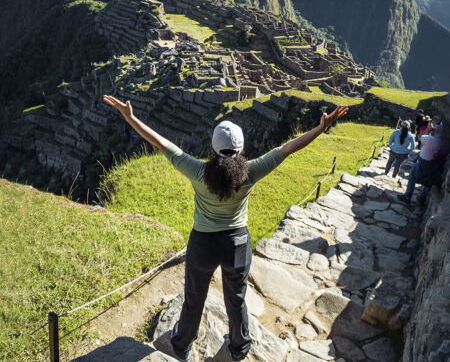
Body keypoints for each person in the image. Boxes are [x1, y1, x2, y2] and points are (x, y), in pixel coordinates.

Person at [103, 94, 348, 361]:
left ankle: (182, 345)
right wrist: (321, 128)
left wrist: (131, 117)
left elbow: (161, 143)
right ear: (242, 151)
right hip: (237, 244)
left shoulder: (197, 171)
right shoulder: (251, 172)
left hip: (203, 244)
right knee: (236, 298)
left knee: (194, 298)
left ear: (211, 147)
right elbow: (289, 148)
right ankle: (239, 347)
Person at [398, 120, 442, 206]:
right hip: (435, 164)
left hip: (423, 162)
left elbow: (419, 137)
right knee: (428, 182)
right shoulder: (444, 143)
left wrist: (428, 130)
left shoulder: (430, 139)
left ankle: (407, 197)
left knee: (412, 177)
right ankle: (422, 198)